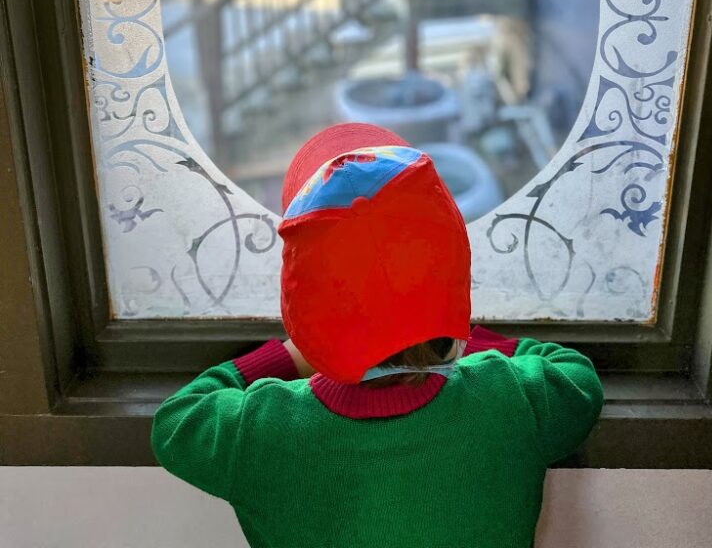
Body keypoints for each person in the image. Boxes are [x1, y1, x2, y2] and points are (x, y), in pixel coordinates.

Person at [152, 122, 603, 547]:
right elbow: (577, 378)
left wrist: (293, 355)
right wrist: (452, 330)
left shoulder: (258, 433)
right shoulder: (512, 399)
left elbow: (176, 420)